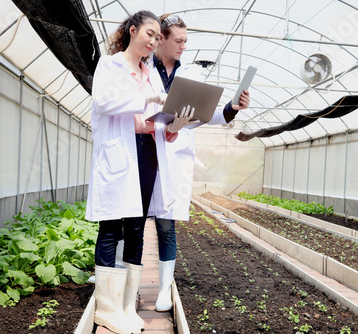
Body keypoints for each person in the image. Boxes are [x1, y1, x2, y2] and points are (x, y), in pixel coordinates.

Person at [85, 10, 193, 334]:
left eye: (158, 37)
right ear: (132, 31)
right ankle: (107, 309)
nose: (154, 41)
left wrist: (177, 124)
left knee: (135, 229)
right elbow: (104, 101)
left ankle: (126, 305)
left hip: (147, 155)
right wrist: (147, 96)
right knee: (110, 227)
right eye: (150, 34)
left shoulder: (151, 73)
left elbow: (158, 119)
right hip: (121, 152)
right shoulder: (110, 64)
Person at [150, 13, 251, 312]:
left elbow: (208, 115)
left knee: (167, 226)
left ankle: (163, 289)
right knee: (128, 219)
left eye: (186, 41)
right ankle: (116, 278)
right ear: (161, 39)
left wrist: (232, 108)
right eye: (178, 41)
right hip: (145, 150)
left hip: (174, 155)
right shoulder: (142, 67)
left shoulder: (192, 74)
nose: (183, 46)